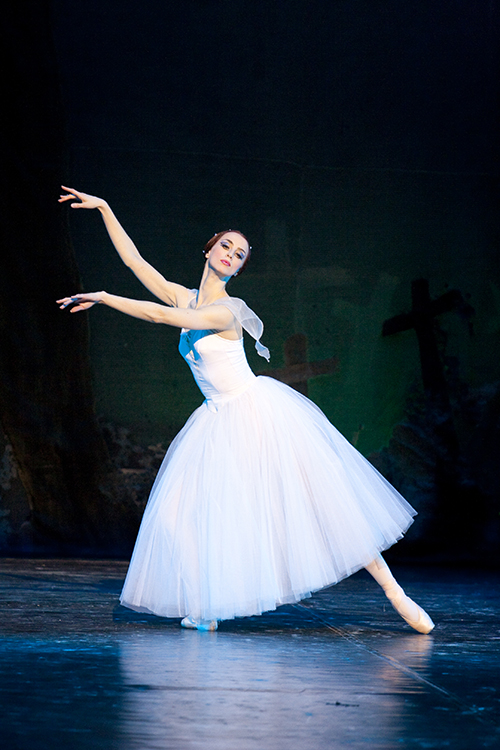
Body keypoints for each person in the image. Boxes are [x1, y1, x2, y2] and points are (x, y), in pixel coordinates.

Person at [58, 186, 435, 634]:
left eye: (239, 255)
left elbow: (160, 318)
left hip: (256, 413)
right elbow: (135, 263)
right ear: (209, 249)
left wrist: (104, 298)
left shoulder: (226, 312)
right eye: (226, 247)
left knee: (319, 500)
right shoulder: (186, 297)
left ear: (238, 269)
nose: (231, 255)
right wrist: (105, 208)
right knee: (195, 513)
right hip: (215, 418)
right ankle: (210, 604)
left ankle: (395, 592)